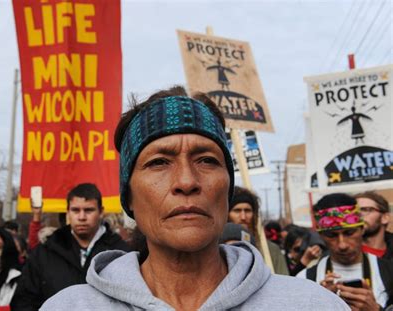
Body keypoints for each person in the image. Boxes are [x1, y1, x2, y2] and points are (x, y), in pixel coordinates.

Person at [42, 86, 347, 310]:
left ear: (227, 190)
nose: (187, 181)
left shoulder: (313, 305)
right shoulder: (68, 307)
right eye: (159, 162)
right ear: (129, 197)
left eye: (207, 160)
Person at [12, 183, 130, 310]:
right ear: (68, 212)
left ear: (101, 212)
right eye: (75, 210)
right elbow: (23, 301)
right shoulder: (45, 252)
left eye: (88, 210)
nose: (81, 217)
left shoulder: (122, 254)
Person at [297, 193, 393, 309]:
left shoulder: (389, 272)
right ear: (321, 236)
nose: (342, 245)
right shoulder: (305, 280)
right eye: (332, 235)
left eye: (349, 233)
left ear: (362, 229)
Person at [229, 186, 289, 275]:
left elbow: (284, 283)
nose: (243, 217)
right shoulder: (216, 250)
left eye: (247, 210)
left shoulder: (270, 250)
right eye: (237, 211)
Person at [354, 191, 392, 259]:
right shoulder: (339, 253)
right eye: (354, 212)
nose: (358, 215)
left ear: (385, 218)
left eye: (366, 210)